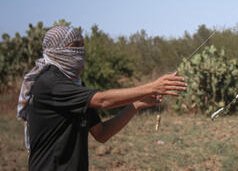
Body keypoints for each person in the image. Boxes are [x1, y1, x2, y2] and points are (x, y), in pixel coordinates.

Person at [17, 26, 187, 170]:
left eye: (82, 46)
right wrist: (152, 86)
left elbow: (102, 133)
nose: (80, 52)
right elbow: (102, 101)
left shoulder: (75, 86)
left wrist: (137, 105)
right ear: (56, 50)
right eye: (74, 46)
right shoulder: (50, 82)